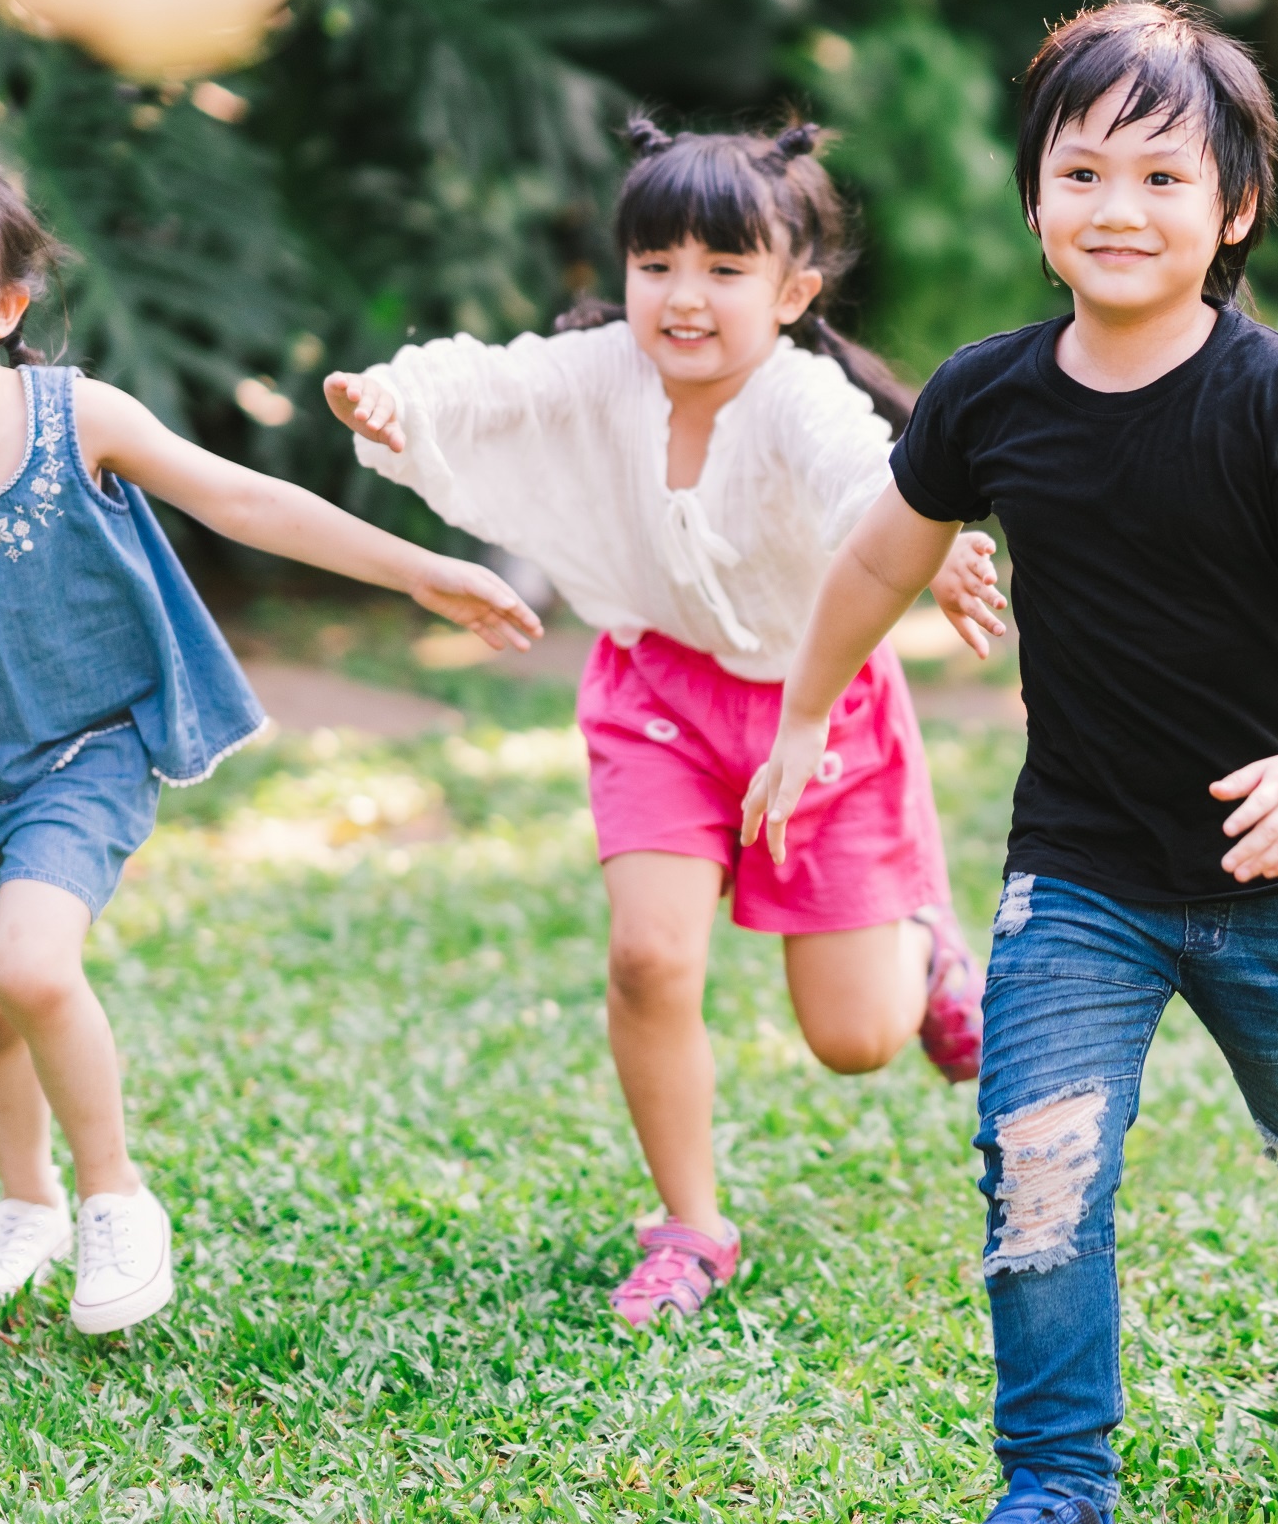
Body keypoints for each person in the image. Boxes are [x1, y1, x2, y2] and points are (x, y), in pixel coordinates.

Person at [744, 1, 1278, 1524]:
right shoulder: (989, 399)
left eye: (1161, 172)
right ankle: (1052, 1505)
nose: (1117, 206)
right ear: (1036, 197)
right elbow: (877, 562)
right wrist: (797, 722)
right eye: (1080, 169)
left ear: (1235, 206)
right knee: (1037, 1155)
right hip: (1081, 873)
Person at [0, 130, 542, 1335]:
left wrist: (417, 572)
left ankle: (116, 1198)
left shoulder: (74, 414)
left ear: (5, 303)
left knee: (32, 968)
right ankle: (26, 1200)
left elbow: (244, 499)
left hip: (86, 744)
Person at [325, 119, 1007, 1329]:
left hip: (815, 702)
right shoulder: (604, 374)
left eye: (724, 270)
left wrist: (935, 543)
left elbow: (868, 478)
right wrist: (395, 397)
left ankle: (928, 950)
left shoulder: (798, 395)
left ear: (794, 291)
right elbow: (493, 377)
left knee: (855, 1039)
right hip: (655, 700)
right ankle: (691, 1224)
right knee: (649, 957)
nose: (683, 298)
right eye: (657, 266)